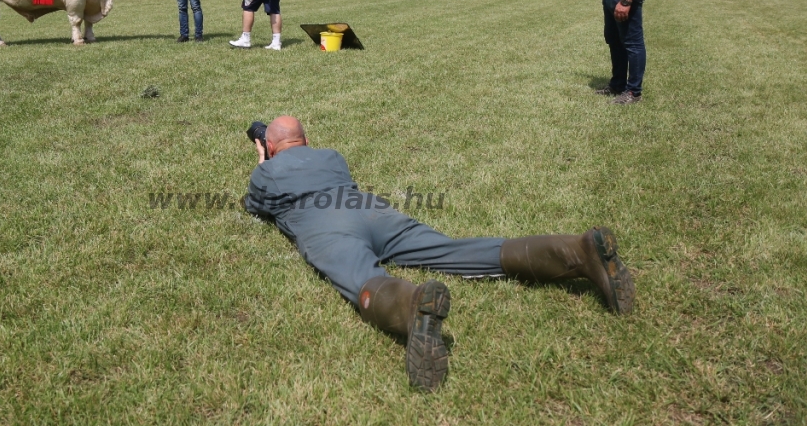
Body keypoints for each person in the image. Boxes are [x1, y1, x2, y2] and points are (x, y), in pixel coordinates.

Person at [245, 116, 635, 392]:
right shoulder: (331, 156)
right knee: (452, 250)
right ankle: (576, 251)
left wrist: (264, 164)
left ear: (273, 145)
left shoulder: (268, 170)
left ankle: (412, 307)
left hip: (325, 224)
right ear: (307, 139)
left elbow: (255, 206)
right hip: (373, 211)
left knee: (360, 275)